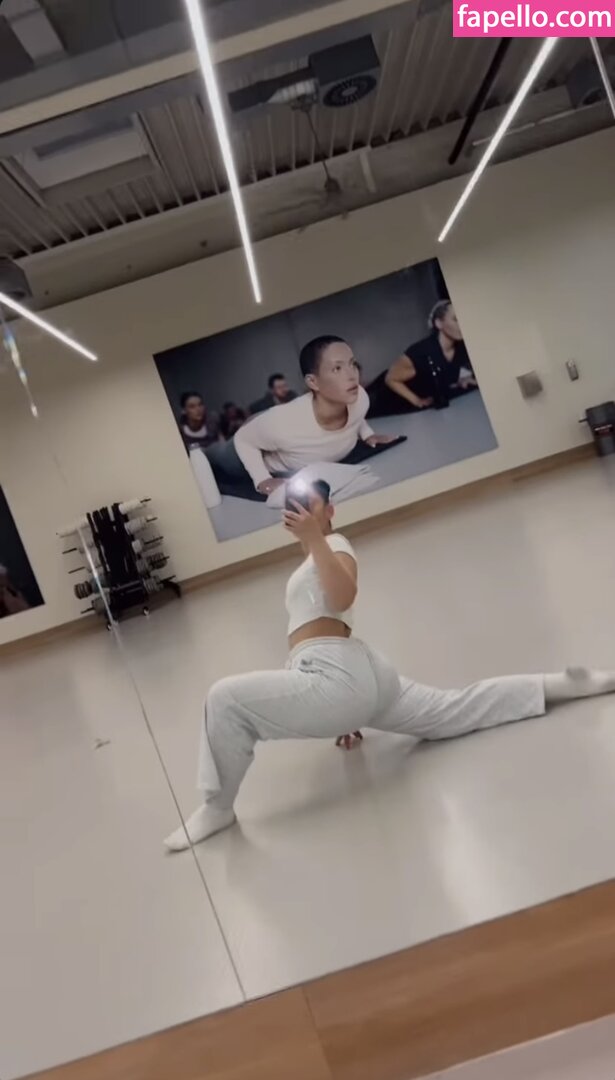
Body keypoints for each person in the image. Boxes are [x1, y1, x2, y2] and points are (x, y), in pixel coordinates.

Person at [164, 480, 615, 850]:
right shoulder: (316, 554)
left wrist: (316, 539)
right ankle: (564, 684)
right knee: (457, 710)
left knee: (224, 699)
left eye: (310, 504)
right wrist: (342, 710)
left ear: (329, 511)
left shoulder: (334, 543)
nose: (300, 509)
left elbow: (344, 596)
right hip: (356, 676)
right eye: (294, 504)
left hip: (339, 674)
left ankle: (217, 809)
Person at [234, 336, 395, 497]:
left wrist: (368, 435)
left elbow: (357, 415)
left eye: (352, 364)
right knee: (223, 457)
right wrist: (262, 479)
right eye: (337, 368)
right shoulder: (284, 424)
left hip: (280, 424)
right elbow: (242, 438)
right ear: (313, 382)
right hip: (249, 451)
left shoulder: (360, 398)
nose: (352, 375)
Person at [366, 300, 478, 417]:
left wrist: (462, 380)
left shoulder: (461, 349)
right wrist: (417, 400)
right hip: (379, 397)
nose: (462, 324)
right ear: (439, 323)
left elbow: (442, 376)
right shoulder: (421, 351)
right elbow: (390, 378)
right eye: (455, 319)